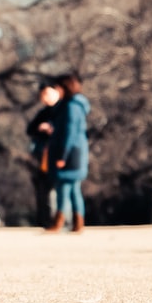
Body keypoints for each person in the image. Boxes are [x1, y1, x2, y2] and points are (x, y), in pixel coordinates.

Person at [44, 73, 91, 233]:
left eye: (57, 87)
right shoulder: (73, 105)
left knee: (63, 187)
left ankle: (59, 221)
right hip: (76, 151)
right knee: (74, 188)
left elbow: (69, 133)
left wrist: (62, 156)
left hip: (70, 153)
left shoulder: (71, 107)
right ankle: (78, 222)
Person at [26, 80, 60, 227]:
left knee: (58, 189)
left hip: (58, 155)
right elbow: (29, 130)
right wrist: (40, 128)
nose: (44, 97)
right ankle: (45, 220)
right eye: (42, 95)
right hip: (42, 156)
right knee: (43, 189)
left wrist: (52, 128)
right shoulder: (43, 112)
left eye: (47, 93)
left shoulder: (63, 110)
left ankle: (60, 220)